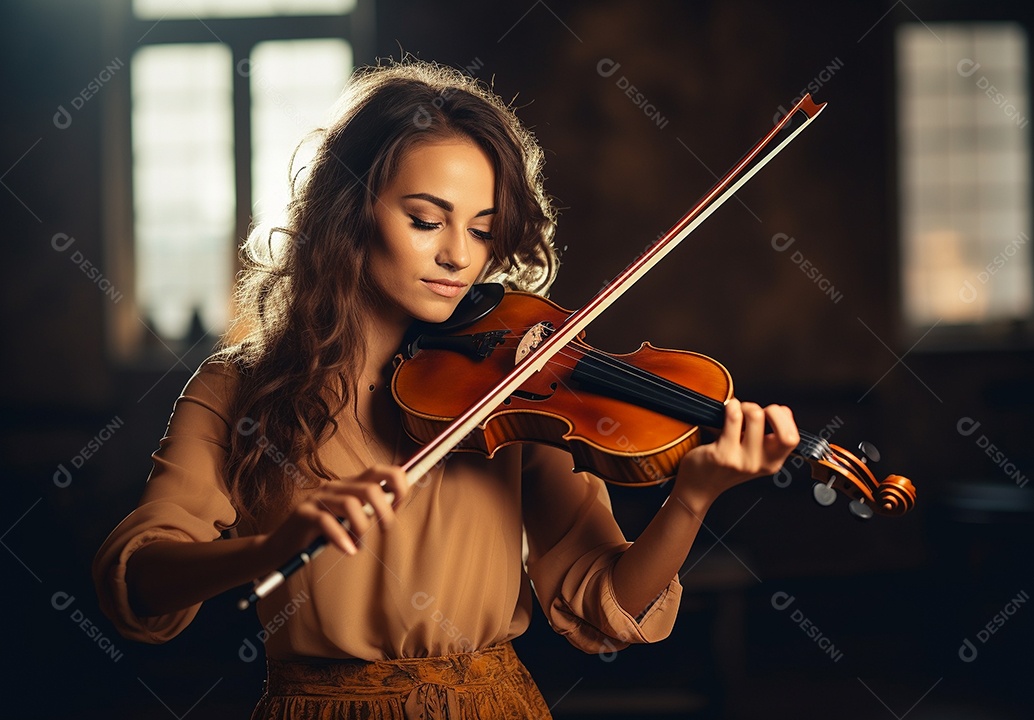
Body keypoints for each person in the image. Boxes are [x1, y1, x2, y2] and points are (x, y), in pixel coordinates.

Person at [93, 59, 800, 719]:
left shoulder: (519, 390)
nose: (460, 256)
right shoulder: (239, 388)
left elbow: (606, 599)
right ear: (349, 212)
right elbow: (139, 582)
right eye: (426, 220)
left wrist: (693, 497)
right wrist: (272, 548)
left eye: (484, 230)